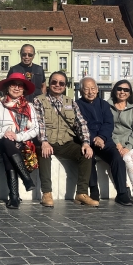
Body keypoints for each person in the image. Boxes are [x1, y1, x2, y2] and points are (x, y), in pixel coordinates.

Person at [33, 71, 97, 208]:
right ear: (49, 84)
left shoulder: (70, 102)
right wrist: (44, 141)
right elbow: (39, 123)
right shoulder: (39, 100)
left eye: (61, 83)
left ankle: (81, 193)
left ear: (65, 86)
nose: (58, 85)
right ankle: (47, 193)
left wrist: (86, 143)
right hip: (47, 141)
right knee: (43, 153)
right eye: (54, 82)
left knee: (86, 154)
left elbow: (81, 123)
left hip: (65, 142)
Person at [76, 77, 132, 206]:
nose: (90, 92)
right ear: (81, 91)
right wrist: (92, 139)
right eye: (86, 89)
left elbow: (109, 123)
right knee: (88, 157)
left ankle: (122, 193)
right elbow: (79, 125)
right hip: (87, 141)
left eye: (93, 88)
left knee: (117, 157)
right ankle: (94, 191)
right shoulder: (77, 105)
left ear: (97, 89)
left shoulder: (104, 104)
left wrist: (102, 137)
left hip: (104, 140)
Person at [0, 72, 40, 209]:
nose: (16, 88)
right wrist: (4, 134)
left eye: (20, 85)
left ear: (23, 89)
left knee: (8, 154)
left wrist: (18, 137)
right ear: (7, 87)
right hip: (2, 141)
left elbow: (35, 129)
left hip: (22, 143)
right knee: (7, 142)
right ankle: (26, 178)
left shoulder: (29, 107)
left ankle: (14, 197)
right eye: (13, 85)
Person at [108, 80, 133, 202]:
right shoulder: (108, 106)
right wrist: (117, 144)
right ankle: (125, 187)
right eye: (119, 89)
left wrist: (128, 147)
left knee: (127, 158)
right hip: (113, 141)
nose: (122, 92)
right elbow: (108, 127)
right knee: (116, 159)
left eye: (126, 90)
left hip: (130, 142)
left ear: (130, 93)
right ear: (114, 91)